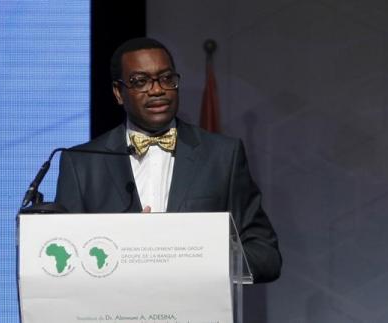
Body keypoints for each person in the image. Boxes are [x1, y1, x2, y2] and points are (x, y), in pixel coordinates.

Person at [55, 37, 281, 283]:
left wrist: (201, 258)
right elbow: (63, 261)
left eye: (166, 78)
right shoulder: (82, 164)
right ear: (119, 93)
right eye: (140, 82)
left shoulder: (222, 156)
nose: (157, 89)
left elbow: (266, 256)